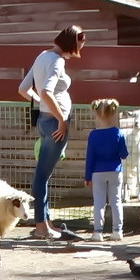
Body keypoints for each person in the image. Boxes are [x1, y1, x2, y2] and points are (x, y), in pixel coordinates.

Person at [18, 25, 86, 239]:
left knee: (42, 175)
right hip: (55, 125)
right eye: (81, 43)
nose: (82, 47)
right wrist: (60, 119)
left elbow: (23, 88)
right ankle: (41, 226)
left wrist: (43, 106)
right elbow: (46, 90)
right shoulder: (57, 61)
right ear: (73, 43)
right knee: (41, 176)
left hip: (44, 121)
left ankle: (45, 223)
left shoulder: (43, 56)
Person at [85, 98, 129, 242]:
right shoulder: (118, 133)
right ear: (114, 113)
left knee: (98, 202)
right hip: (115, 171)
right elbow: (124, 154)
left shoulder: (93, 135)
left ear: (96, 114)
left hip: (97, 172)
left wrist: (87, 177)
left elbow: (90, 157)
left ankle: (98, 232)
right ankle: (117, 231)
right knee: (116, 201)